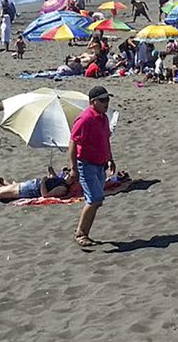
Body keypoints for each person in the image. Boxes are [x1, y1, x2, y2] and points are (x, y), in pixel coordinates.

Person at [70, 86, 116, 247]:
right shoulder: (85, 119)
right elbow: (73, 142)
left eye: (107, 99)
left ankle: (83, 232)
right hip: (86, 164)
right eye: (102, 100)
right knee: (94, 199)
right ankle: (81, 234)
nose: (106, 103)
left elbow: (105, 140)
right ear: (92, 102)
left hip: (100, 164)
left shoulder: (103, 118)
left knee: (96, 200)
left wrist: (110, 158)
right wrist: (73, 168)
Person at [0, 168, 74, 202]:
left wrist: (44, 181)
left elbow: (46, 195)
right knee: (1, 190)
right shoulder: (61, 181)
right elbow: (54, 179)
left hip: (30, 190)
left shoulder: (63, 188)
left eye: (69, 175)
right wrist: (51, 172)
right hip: (30, 185)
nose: (67, 175)